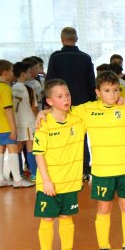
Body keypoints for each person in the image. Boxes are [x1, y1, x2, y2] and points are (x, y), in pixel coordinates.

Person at [71, 71, 125, 250]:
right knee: (104, 209)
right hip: (102, 172)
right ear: (97, 92)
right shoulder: (87, 110)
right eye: (107, 90)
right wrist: (43, 112)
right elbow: (63, 112)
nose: (112, 94)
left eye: (116, 90)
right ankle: (104, 248)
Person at [33, 79, 86, 250]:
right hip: (49, 183)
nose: (66, 99)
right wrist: (46, 180)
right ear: (49, 101)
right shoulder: (44, 123)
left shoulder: (78, 120)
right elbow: (38, 153)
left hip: (70, 182)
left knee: (66, 218)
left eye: (68, 94)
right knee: (47, 219)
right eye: (60, 96)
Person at [45, 27, 96, 180]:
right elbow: (91, 83)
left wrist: (47, 105)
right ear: (76, 39)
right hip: (82, 104)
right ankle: (85, 169)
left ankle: (67, 169)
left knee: (62, 136)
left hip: (60, 103)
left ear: (62, 39)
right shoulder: (85, 58)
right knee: (81, 136)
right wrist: (92, 104)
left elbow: (50, 82)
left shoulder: (56, 57)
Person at [0, 60, 25, 187]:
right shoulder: (6, 89)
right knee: (13, 149)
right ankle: (18, 180)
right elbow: (8, 110)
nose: (14, 73)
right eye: (12, 71)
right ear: (5, 73)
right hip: (6, 126)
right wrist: (13, 128)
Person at [12, 61, 38, 185]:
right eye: (28, 72)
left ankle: (19, 173)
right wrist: (39, 118)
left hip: (16, 122)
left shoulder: (10, 88)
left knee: (17, 148)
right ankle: (34, 174)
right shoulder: (29, 89)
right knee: (30, 148)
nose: (29, 74)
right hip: (28, 122)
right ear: (23, 74)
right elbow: (34, 107)